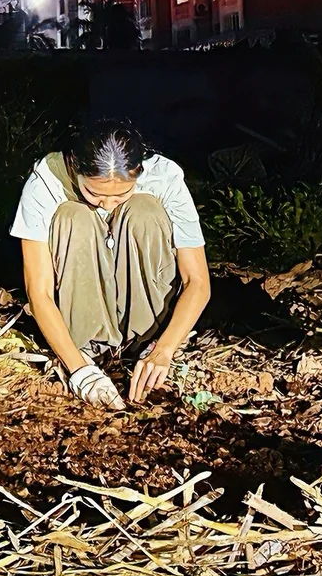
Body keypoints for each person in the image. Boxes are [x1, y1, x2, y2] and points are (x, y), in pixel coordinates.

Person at [11, 120, 212, 409]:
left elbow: (198, 281)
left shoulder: (164, 177)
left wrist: (165, 349)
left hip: (148, 328)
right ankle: (87, 349)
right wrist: (80, 371)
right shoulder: (47, 178)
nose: (107, 204)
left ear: (139, 171)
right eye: (95, 193)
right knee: (71, 215)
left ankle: (142, 345)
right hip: (81, 331)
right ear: (73, 165)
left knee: (144, 210)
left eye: (120, 195)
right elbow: (38, 291)